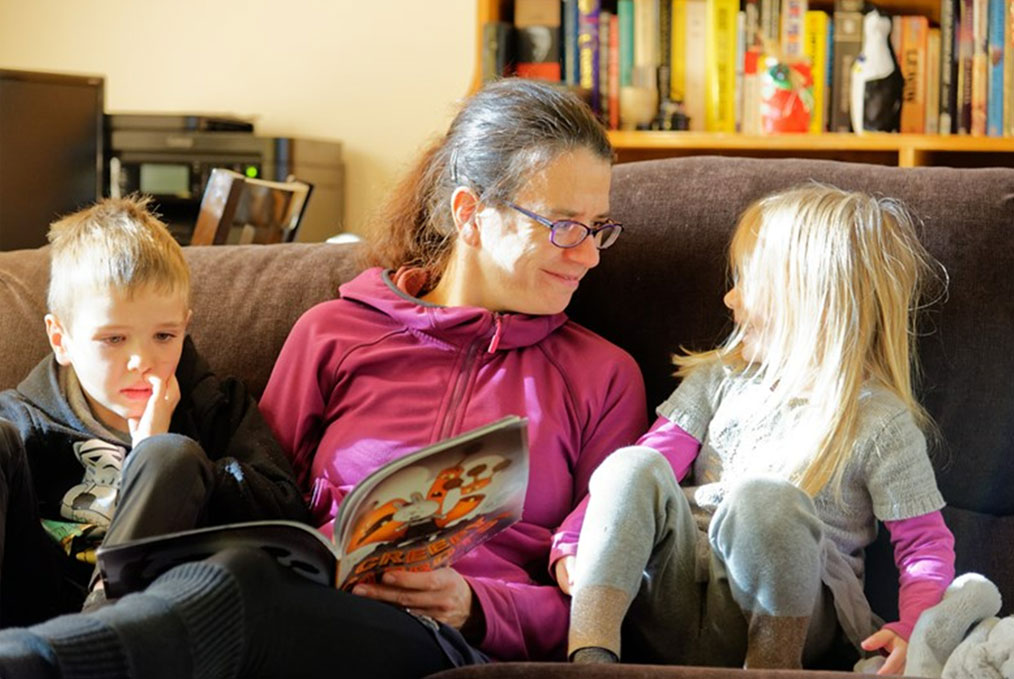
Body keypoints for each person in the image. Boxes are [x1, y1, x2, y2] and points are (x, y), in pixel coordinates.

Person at [0, 78, 648, 678]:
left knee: (241, 588)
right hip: (293, 600)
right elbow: (262, 499)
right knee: (233, 575)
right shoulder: (335, 331)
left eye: (597, 229)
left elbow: (609, 595)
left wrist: (478, 604)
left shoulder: (603, 376)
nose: (587, 254)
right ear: (470, 213)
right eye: (563, 226)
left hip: (440, 641)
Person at [564, 185, 956, 676]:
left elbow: (924, 544)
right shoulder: (717, 380)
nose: (728, 297)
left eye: (745, 281)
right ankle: (590, 657)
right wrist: (572, 541)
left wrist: (913, 627)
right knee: (631, 464)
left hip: (794, 614)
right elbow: (648, 463)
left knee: (766, 499)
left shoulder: (880, 422)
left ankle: (773, 669)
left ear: (812, 299)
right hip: (679, 599)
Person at [0, 196, 307, 626]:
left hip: (145, 622)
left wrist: (163, 457)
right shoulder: (24, 418)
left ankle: (97, 634)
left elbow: (286, 513)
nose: (141, 360)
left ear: (185, 325)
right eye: (113, 339)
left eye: (164, 335)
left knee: (170, 453)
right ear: (61, 340)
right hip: (31, 604)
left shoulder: (215, 408)